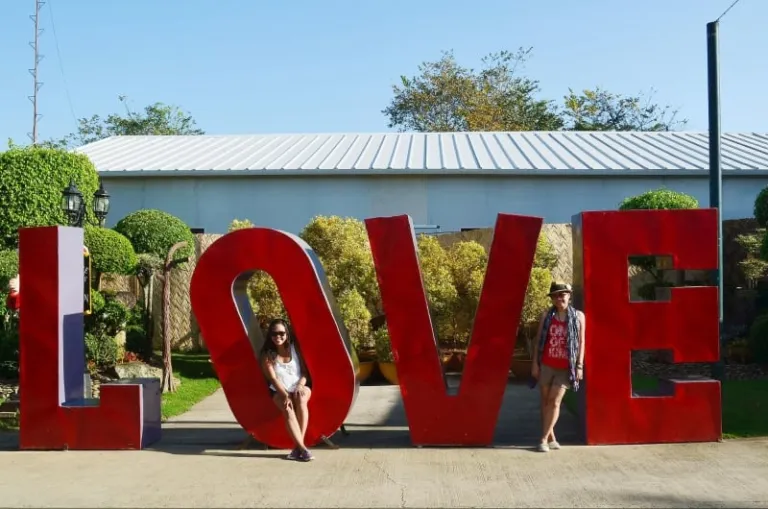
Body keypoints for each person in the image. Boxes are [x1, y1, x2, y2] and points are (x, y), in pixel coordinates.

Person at [531, 282, 585, 453]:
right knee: (545, 402)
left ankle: (542, 439)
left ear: (569, 295)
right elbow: (538, 341)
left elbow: (581, 342)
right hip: (546, 364)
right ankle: (551, 437)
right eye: (555, 296)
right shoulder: (547, 315)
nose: (558, 298)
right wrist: (535, 364)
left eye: (562, 295)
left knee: (555, 401)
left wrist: (579, 366)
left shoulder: (579, 316)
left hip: (565, 367)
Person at [260, 318, 314, 462]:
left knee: (301, 398)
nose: (277, 336)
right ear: (270, 335)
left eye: (281, 333)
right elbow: (273, 379)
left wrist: (300, 385)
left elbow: (304, 373)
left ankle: (298, 448)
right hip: (279, 389)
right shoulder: (267, 355)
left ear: (287, 334)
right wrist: (285, 395)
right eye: (274, 334)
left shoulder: (295, 349)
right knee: (288, 408)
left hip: (299, 385)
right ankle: (303, 449)